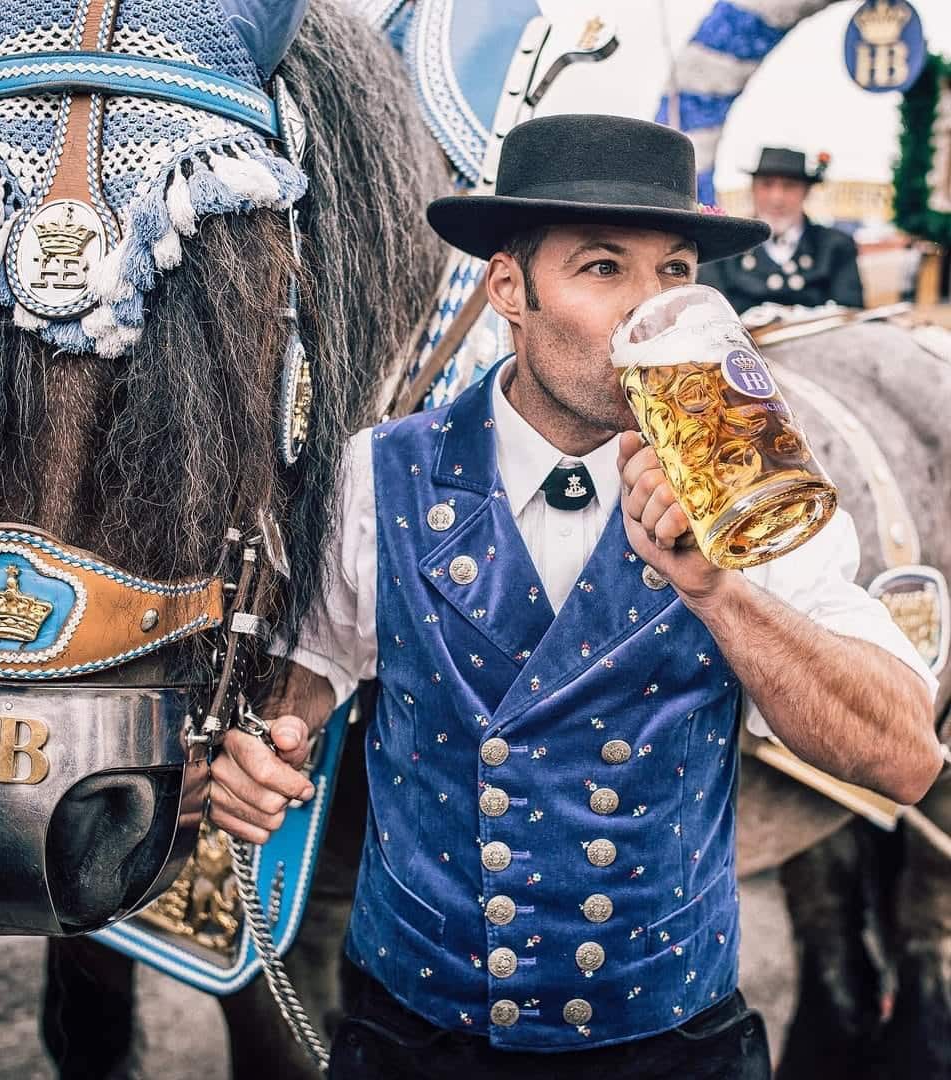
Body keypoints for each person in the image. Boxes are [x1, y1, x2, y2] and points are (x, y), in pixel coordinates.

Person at [209, 114, 941, 1079]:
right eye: (604, 268)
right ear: (508, 288)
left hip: (669, 1043)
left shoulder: (748, 485)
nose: (654, 314)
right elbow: (316, 665)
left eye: (676, 273)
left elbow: (903, 755)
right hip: (411, 1035)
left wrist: (721, 592)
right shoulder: (375, 475)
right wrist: (260, 750)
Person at [698, 146, 865, 315]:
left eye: (789, 186)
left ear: (806, 192)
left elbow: (851, 315)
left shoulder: (836, 246)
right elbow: (711, 318)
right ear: (753, 190)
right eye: (767, 185)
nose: (777, 198)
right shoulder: (722, 247)